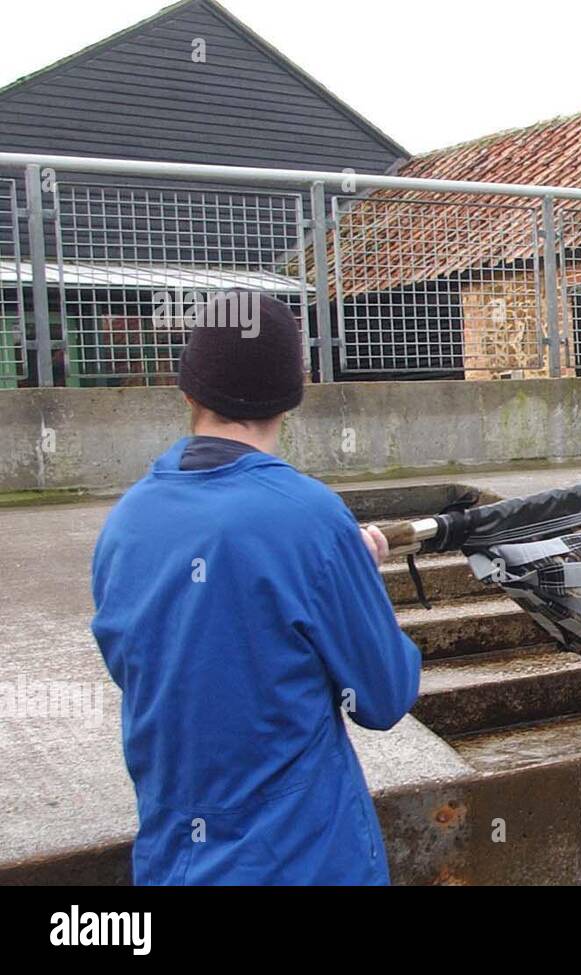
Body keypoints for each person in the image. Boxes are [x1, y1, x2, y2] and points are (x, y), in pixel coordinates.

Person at [91, 291, 421, 885]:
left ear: (187, 391)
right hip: (302, 863)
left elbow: (161, 667)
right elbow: (384, 696)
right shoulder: (312, 518)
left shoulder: (127, 521)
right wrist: (358, 578)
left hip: (173, 863)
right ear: (291, 397)